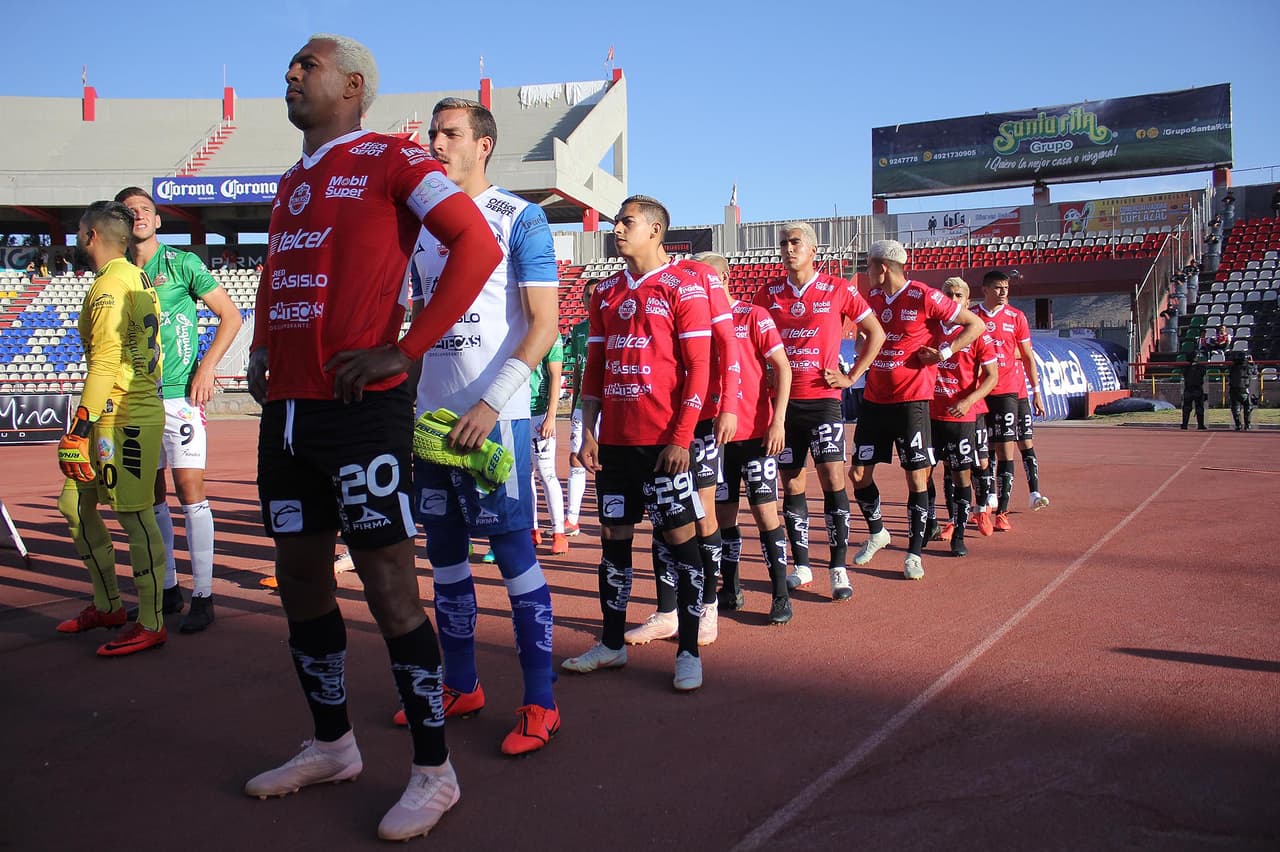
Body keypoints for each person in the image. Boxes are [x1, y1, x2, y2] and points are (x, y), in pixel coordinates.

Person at [243, 35, 501, 842]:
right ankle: (333, 746)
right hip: (285, 412)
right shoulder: (291, 181)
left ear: (352, 86)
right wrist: (257, 344)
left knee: (389, 585)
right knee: (300, 582)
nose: (290, 75)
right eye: (289, 66)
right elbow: (280, 267)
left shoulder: (394, 159)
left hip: (361, 406)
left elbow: (478, 244)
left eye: (306, 66)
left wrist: (407, 346)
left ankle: (435, 772)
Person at [401, 96, 564, 756]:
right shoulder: (418, 227)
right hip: (430, 424)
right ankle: (462, 685)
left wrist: (492, 403)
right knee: (443, 561)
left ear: (483, 145)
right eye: (432, 132)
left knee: (514, 556)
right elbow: (417, 325)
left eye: (450, 133)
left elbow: (544, 325)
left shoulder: (521, 218)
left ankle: (541, 702)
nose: (435, 142)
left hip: (496, 421)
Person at [562, 194, 712, 691]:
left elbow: (699, 370)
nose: (617, 229)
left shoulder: (683, 287)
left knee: (681, 544)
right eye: (615, 222)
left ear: (655, 230)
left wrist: (682, 438)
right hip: (617, 447)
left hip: (665, 444)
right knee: (613, 543)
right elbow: (595, 370)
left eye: (626, 222)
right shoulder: (605, 292)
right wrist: (588, 431)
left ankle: (689, 650)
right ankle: (611, 644)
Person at [115, 186, 244, 633]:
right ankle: (167, 591)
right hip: (135, 398)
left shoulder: (182, 264)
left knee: (191, 493)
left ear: (158, 220)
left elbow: (231, 315)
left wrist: (207, 367)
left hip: (180, 399)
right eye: (129, 212)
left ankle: (204, 595)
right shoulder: (116, 275)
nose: (138, 217)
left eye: (145, 210)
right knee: (151, 499)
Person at [54, 200, 167, 657]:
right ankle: (108, 605)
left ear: (90, 236)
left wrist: (79, 428)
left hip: (126, 415)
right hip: (116, 411)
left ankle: (151, 620)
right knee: (74, 503)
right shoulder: (132, 278)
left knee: (134, 515)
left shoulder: (108, 288)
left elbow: (104, 362)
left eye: (80, 232)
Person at [754, 222, 884, 601]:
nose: (788, 249)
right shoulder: (768, 292)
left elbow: (875, 332)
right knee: (792, 483)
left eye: (795, 243)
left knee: (832, 479)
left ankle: (838, 568)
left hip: (824, 400)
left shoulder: (838, 288)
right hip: (783, 403)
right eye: (783, 243)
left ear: (813, 250)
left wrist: (853, 375)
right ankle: (802, 566)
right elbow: (752, 337)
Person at [849, 240, 985, 581]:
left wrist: (943, 353)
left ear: (883, 268)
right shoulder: (874, 300)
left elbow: (975, 325)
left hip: (912, 403)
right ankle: (878, 531)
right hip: (874, 400)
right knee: (858, 475)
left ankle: (913, 552)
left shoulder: (923, 295)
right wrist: (862, 348)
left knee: (916, 477)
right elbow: (863, 337)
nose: (866, 273)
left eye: (868, 266)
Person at [624, 252, 738, 646]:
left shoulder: (703, 279)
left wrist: (728, 407)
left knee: (702, 515)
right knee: (663, 518)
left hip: (701, 419)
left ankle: (708, 607)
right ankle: (667, 611)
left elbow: (727, 347)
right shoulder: (654, 281)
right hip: (661, 422)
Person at [702, 252, 795, 623]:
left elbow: (782, 369)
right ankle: (732, 586)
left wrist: (778, 422)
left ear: (724, 277)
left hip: (756, 433)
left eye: (704, 277)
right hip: (715, 439)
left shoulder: (753, 315)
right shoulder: (696, 320)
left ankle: (780, 594)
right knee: (723, 516)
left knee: (764, 513)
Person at [927, 277, 999, 558]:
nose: (953, 300)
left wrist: (969, 400)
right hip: (928, 414)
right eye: (948, 294)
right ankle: (929, 523)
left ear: (968, 302)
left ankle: (959, 532)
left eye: (959, 296)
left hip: (961, 417)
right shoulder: (928, 328)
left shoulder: (979, 334)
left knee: (961, 475)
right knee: (922, 473)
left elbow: (992, 377)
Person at [974, 270, 1049, 531]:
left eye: (1006, 287)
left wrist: (1036, 390)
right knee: (983, 450)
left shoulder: (1016, 317)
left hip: (1010, 391)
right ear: (985, 290)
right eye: (998, 287)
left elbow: (1027, 355)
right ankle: (985, 499)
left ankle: (1008, 507)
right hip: (981, 393)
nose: (1004, 292)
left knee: (1013, 446)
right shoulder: (974, 317)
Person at [562, 278, 598, 536]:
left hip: (610, 405)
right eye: (587, 295)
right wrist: (574, 399)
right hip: (582, 405)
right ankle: (572, 519)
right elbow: (576, 369)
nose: (591, 299)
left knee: (611, 460)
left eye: (596, 294)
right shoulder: (578, 331)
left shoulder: (617, 325)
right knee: (576, 458)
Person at [531, 333, 569, 555]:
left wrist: (551, 416)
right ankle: (531, 530)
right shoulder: (511, 327)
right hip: (515, 413)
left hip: (539, 413)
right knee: (523, 476)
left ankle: (559, 533)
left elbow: (555, 376)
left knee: (547, 474)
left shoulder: (550, 335)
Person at [1228, 351, 1258, 431]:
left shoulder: (1232, 367)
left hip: (1234, 390)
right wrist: (1252, 363)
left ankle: (1238, 425)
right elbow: (1255, 372)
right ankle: (1247, 425)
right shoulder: (1249, 367)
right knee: (1247, 408)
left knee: (1235, 409)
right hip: (1244, 390)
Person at [1181, 352, 1207, 431]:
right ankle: (1200, 425)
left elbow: (1184, 374)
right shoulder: (1201, 367)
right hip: (1197, 389)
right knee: (1199, 407)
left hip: (1189, 389)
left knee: (1186, 408)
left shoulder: (1186, 368)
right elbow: (1203, 373)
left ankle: (1185, 425)